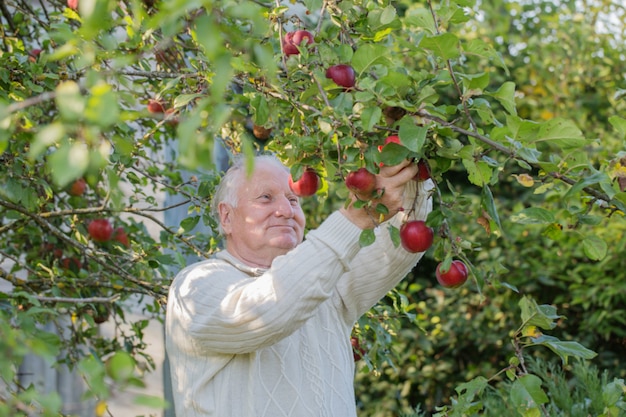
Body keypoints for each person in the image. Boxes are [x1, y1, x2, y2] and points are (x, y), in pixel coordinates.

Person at [165, 153, 433, 417]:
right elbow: (268, 311)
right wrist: (355, 218)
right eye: (265, 198)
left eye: (293, 199)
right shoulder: (196, 287)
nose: (286, 211)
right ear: (226, 217)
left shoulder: (327, 285)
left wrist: (404, 151)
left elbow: (400, 242)